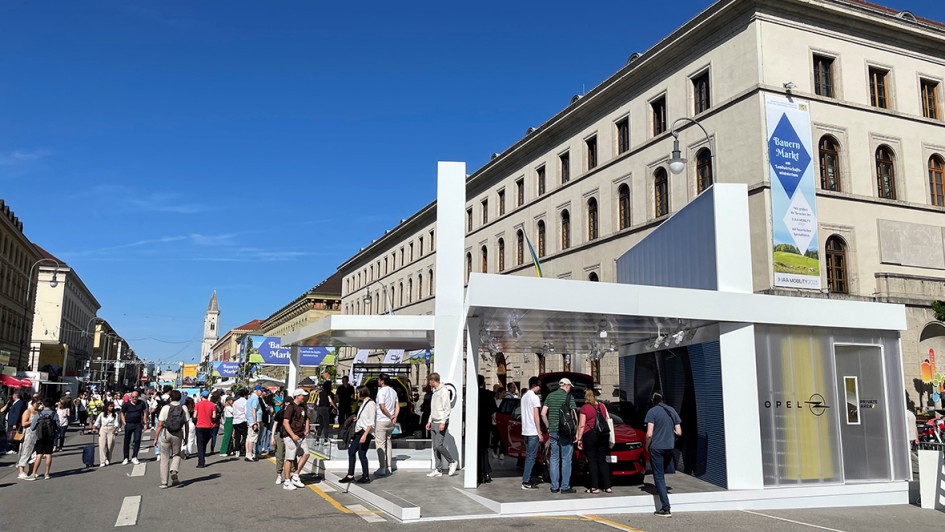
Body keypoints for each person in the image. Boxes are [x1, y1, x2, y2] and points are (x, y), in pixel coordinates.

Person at [644, 392, 681, 518]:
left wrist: (646, 446)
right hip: (669, 447)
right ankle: (661, 490)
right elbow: (679, 432)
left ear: (653, 400)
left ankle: (665, 508)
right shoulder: (672, 411)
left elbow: (649, 434)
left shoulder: (652, 412)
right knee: (662, 474)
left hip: (657, 448)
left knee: (658, 477)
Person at [542, 377, 577, 494]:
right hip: (565, 432)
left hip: (552, 431)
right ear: (566, 386)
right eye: (570, 387)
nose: (570, 389)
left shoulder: (550, 396)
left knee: (554, 458)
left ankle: (554, 487)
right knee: (566, 459)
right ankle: (565, 487)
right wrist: (576, 431)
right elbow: (574, 415)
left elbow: (543, 414)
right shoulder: (569, 397)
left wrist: (548, 426)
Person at [577, 389, 612, 495]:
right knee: (602, 460)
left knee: (592, 461)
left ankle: (594, 487)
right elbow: (606, 419)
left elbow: (582, 425)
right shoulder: (602, 406)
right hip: (603, 435)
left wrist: (579, 439)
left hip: (590, 435)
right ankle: (607, 486)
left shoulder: (585, 408)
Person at [155, 390, 191, 488]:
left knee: (164, 457)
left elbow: (160, 424)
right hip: (178, 433)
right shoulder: (183, 407)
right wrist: (186, 437)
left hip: (166, 433)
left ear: (170, 398)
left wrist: (156, 437)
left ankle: (164, 482)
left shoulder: (165, 408)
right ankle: (174, 470)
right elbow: (186, 424)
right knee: (176, 454)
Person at [340, 386, 375, 484]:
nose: (356, 394)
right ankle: (350, 474)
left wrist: (365, 435)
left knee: (362, 453)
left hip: (365, 432)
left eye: (358, 392)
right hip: (359, 431)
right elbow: (365, 418)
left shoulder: (371, 404)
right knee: (351, 451)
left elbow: (371, 422)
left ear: (362, 392)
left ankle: (365, 476)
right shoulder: (364, 403)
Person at [426, 372, 458, 478]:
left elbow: (447, 408)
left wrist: (443, 422)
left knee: (438, 445)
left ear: (433, 381)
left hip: (440, 422)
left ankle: (452, 461)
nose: (429, 383)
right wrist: (429, 421)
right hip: (434, 422)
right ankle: (438, 469)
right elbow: (433, 409)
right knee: (435, 447)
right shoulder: (435, 392)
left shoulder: (444, 391)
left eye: (430, 381)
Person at [281, 388, 310, 490]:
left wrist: (307, 428)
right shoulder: (291, 407)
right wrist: (292, 435)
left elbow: (306, 418)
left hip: (301, 435)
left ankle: (296, 475)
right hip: (291, 436)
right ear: (297, 396)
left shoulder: (302, 407)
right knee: (289, 458)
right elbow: (285, 422)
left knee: (306, 454)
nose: (304, 397)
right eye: (303, 395)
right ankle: (287, 481)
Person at [26, 398, 59, 480]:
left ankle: (34, 474)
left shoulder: (39, 414)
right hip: (50, 437)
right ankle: (47, 473)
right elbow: (58, 426)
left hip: (40, 437)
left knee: (39, 455)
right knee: (48, 454)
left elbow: (32, 427)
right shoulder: (54, 414)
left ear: (43, 405)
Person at [374, 373, 399, 477]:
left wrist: (390, 416)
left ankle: (382, 467)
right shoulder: (393, 391)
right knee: (388, 442)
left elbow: (382, 407)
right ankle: (389, 466)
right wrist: (394, 416)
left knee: (380, 444)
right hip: (391, 422)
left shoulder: (381, 392)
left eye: (379, 380)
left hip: (382, 420)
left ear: (382, 381)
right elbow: (397, 406)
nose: (378, 381)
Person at [519, 376, 542, 490]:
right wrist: (539, 432)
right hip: (533, 431)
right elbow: (536, 416)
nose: (540, 388)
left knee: (528, 456)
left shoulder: (524, 396)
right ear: (534, 386)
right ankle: (526, 481)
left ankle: (527, 478)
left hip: (525, 431)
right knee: (531, 457)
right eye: (539, 386)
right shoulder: (535, 397)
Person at [271, 395, 296, 486]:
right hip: (280, 435)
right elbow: (275, 424)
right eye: (287, 403)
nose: (289, 404)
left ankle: (292, 474)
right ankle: (279, 474)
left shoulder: (294, 413)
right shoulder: (280, 413)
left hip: (291, 435)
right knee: (280, 454)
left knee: (292, 455)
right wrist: (272, 436)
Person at [477, 375, 497, 484]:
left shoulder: (473, 394)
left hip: (476, 426)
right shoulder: (489, 395)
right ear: (483, 383)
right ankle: (486, 473)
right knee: (484, 450)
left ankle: (478, 473)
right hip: (486, 425)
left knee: (477, 450)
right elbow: (494, 411)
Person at [120, 390, 148, 465]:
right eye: (133, 397)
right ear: (131, 397)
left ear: (138, 397)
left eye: (136, 397)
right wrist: (124, 422)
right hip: (128, 424)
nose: (135, 398)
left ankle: (134, 456)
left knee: (137, 440)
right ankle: (126, 457)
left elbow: (144, 413)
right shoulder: (126, 404)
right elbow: (122, 413)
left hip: (138, 424)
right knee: (127, 441)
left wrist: (145, 423)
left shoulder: (141, 403)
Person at [16, 397, 39, 479]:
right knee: (25, 452)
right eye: (38, 403)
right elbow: (23, 423)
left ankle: (31, 471)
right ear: (33, 403)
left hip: (36, 434)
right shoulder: (28, 411)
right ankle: (21, 471)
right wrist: (34, 421)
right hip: (28, 434)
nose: (39, 405)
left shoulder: (38, 412)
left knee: (34, 454)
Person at [194, 391, 217, 468]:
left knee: (200, 444)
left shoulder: (198, 404)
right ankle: (202, 456)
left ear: (201, 396)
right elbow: (214, 416)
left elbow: (194, 415)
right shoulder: (212, 405)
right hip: (208, 426)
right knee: (204, 443)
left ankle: (201, 462)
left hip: (199, 426)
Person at [94, 401, 119, 466]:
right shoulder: (102, 414)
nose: (111, 407)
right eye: (110, 406)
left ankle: (108, 458)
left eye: (112, 406)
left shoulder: (115, 414)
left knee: (110, 445)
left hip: (111, 429)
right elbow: (97, 422)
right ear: (107, 407)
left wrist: (115, 428)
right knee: (102, 445)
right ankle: (102, 461)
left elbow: (116, 422)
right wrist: (94, 427)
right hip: (103, 429)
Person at [245, 386, 264, 461]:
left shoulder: (250, 398)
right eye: (261, 391)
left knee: (249, 438)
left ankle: (248, 454)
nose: (262, 392)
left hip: (250, 420)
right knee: (252, 438)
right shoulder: (255, 398)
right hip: (254, 421)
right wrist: (255, 422)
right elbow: (254, 410)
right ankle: (250, 454)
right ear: (257, 390)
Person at [232, 389, 248, 457]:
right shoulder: (245, 402)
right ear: (245, 395)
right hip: (243, 420)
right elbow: (246, 412)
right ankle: (243, 449)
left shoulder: (235, 402)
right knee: (245, 436)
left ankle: (237, 450)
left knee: (237, 436)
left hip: (235, 420)